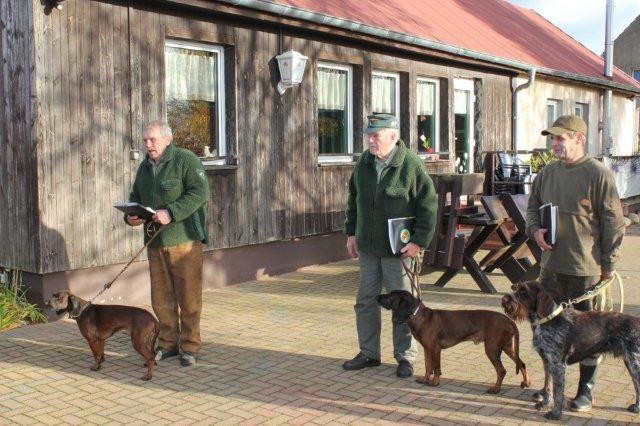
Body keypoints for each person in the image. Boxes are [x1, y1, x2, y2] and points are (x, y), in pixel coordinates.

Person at [525, 114, 625, 411]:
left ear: (579, 138)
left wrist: (608, 265)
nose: (554, 144)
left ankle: (585, 392)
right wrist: (534, 230)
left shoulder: (598, 174)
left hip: (586, 271)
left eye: (560, 138)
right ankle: (549, 389)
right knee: (545, 331)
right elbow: (532, 209)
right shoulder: (546, 173)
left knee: (590, 336)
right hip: (551, 269)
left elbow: (613, 223)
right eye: (552, 138)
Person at [343, 113, 437, 378]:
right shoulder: (364, 163)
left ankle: (405, 357)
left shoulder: (411, 165)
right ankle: (369, 353)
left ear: (393, 137)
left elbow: (428, 205)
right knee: (365, 301)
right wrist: (351, 233)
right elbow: (353, 199)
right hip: (369, 248)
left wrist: (419, 241)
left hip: (400, 250)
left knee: (404, 305)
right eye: (368, 136)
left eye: (376, 136)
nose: (370, 142)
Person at [125, 120, 209, 367]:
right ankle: (168, 343)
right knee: (161, 298)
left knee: (189, 297)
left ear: (167, 139)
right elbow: (135, 198)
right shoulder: (144, 168)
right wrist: (131, 215)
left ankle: (190, 346)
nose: (147, 145)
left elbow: (200, 193)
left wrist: (171, 212)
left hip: (185, 241)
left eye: (152, 139)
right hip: (155, 242)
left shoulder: (185, 160)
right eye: (145, 140)